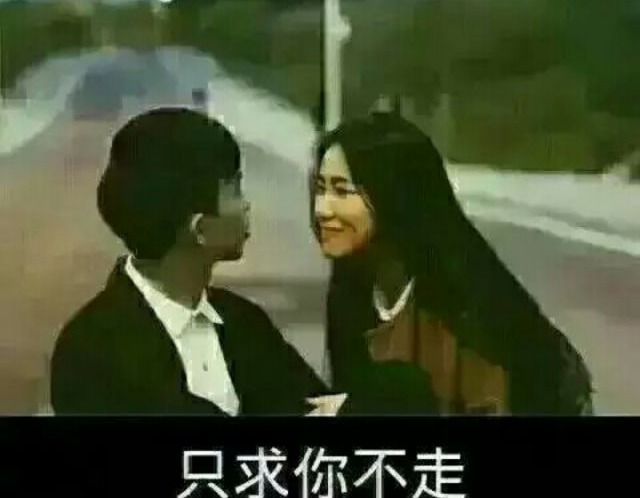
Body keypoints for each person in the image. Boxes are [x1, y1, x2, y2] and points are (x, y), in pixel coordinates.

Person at [311, 111, 593, 415]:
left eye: (342, 191)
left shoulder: (464, 313)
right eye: (320, 188)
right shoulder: (356, 287)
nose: (322, 209)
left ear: (392, 194)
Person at [51, 107, 327, 415]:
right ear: (200, 229)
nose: (246, 205)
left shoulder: (244, 322)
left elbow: (314, 403)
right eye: (235, 190)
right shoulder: (91, 350)